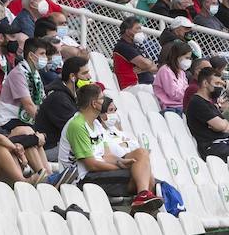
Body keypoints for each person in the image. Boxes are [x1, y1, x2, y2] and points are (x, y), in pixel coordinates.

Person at [59, 82, 162, 210]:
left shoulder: (96, 125)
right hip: (82, 177)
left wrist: (121, 162)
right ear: (94, 103)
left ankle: (142, 197)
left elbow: (107, 156)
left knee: (141, 154)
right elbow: (91, 164)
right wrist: (119, 168)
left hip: (97, 171)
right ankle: (140, 202)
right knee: (147, 179)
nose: (104, 101)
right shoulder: (77, 125)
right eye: (102, 98)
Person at [186, 64, 229, 159]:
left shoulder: (211, 104)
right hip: (213, 147)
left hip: (225, 145)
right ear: (205, 83)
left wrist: (222, 126)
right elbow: (222, 126)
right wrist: (222, 126)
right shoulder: (198, 102)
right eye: (217, 84)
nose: (220, 87)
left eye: (221, 84)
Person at [35, 56, 89, 146]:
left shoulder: (75, 93)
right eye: (85, 73)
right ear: (72, 76)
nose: (89, 77)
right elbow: (76, 130)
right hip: (51, 147)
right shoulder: (58, 98)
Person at [112, 18, 156, 90]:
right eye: (137, 29)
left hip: (145, 83)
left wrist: (144, 69)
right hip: (133, 86)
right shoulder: (123, 47)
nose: (140, 32)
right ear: (128, 31)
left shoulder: (136, 45)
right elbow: (146, 64)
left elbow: (155, 68)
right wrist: (147, 65)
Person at [154, 39, 193, 115]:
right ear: (177, 56)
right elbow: (174, 94)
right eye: (186, 58)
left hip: (180, 106)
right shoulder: (165, 70)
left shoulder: (181, 72)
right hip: (170, 108)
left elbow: (185, 90)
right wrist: (187, 91)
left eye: (190, 58)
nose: (189, 61)